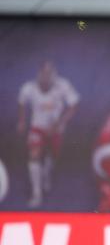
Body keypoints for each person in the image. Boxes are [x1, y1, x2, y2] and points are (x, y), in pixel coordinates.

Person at [17, 61, 79, 208]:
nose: (45, 78)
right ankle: (36, 194)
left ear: (53, 76)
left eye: (48, 74)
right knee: (34, 155)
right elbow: (21, 102)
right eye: (43, 74)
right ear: (39, 75)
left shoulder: (63, 86)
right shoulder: (29, 88)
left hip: (55, 129)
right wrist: (22, 121)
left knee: (52, 156)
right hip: (37, 127)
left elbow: (74, 105)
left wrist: (59, 123)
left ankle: (46, 173)